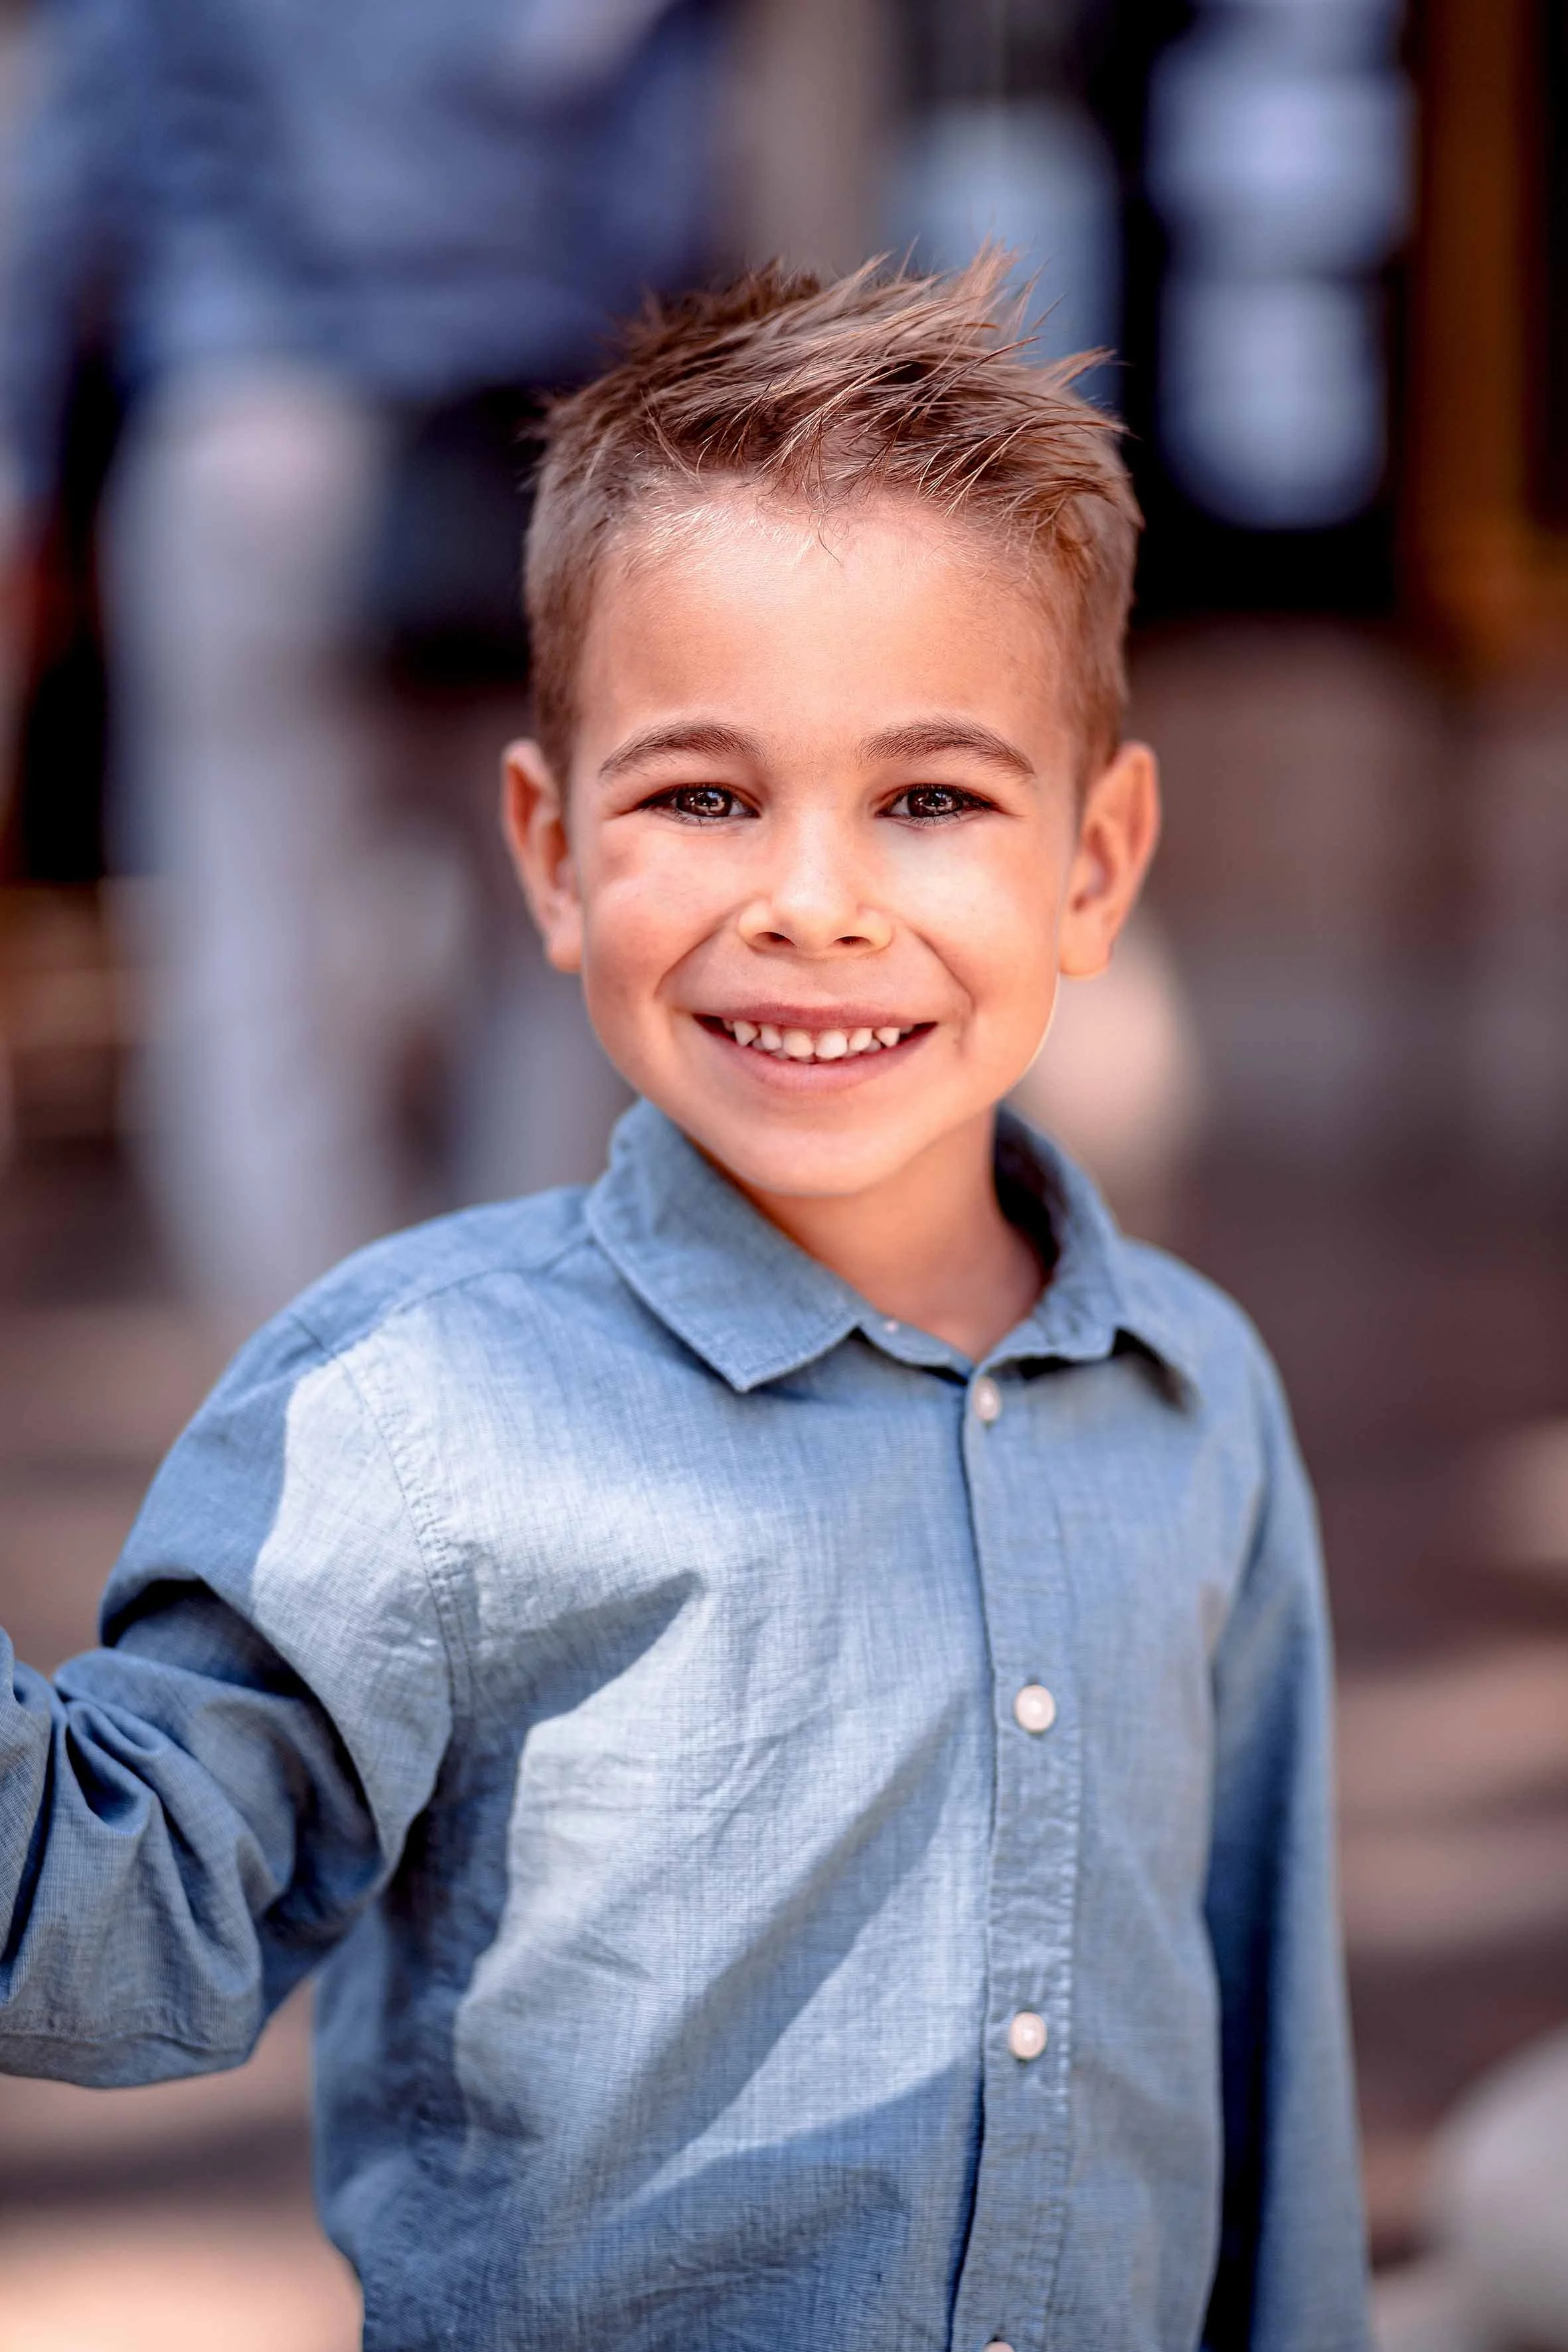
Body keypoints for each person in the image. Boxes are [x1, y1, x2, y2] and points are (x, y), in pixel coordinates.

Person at [0, 255, 1370, 2351]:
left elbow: (1270, 2061)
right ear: (551, 853)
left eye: (931, 799)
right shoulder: (422, 1403)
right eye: (704, 795)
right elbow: (112, 1937)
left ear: (1094, 864)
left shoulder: (1201, 1398)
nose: (809, 898)